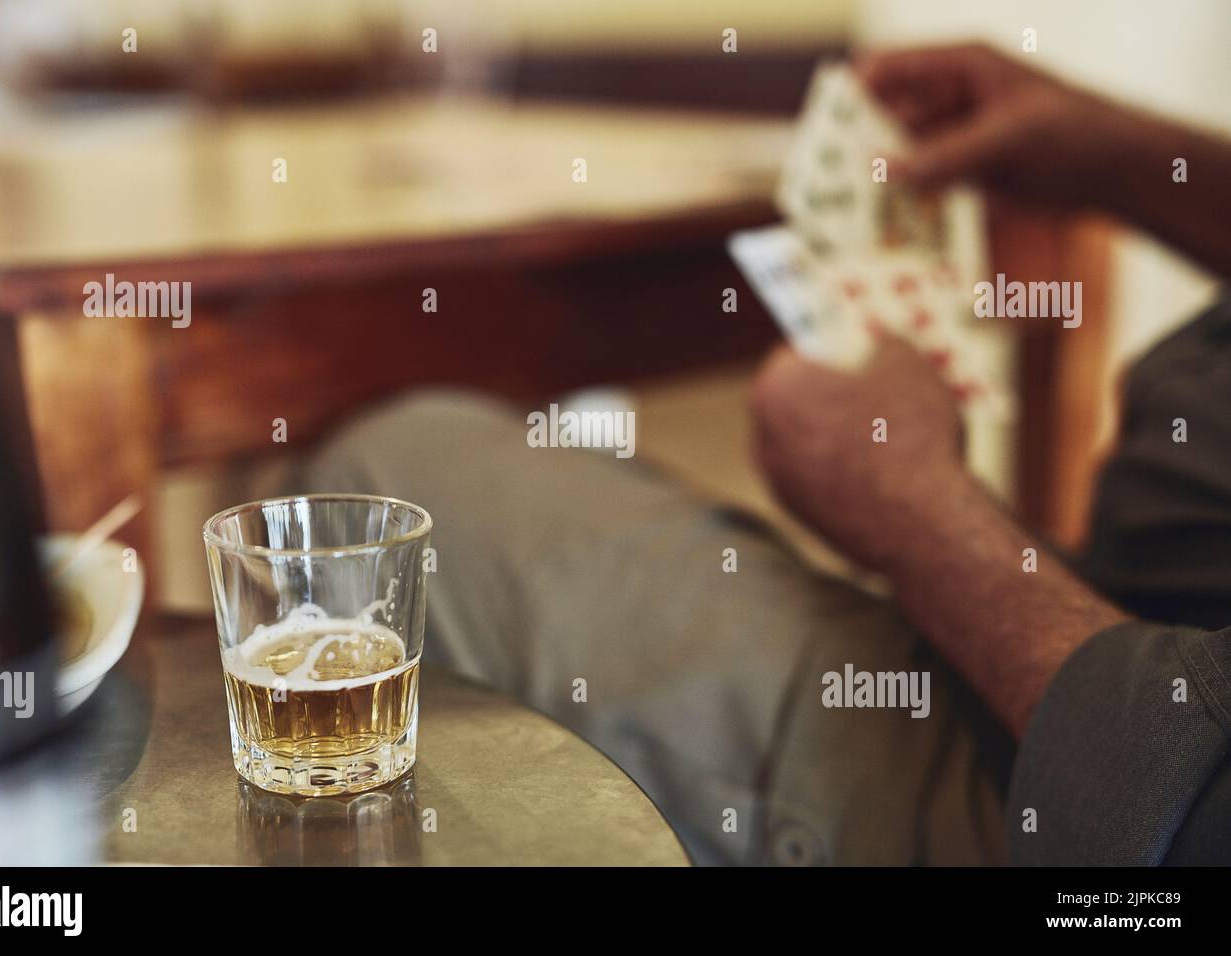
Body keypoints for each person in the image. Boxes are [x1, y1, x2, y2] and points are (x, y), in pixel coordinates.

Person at [297, 46, 1231, 865]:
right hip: (1108, 640)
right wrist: (1132, 158)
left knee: (382, 484)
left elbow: (1182, 813)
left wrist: (921, 515)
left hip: (1071, 799)